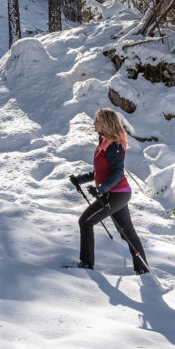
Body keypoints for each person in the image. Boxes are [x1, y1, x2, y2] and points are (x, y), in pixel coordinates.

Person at [69, 108, 149, 274]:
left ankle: (86, 264)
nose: (94, 123)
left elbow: (118, 173)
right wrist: (81, 179)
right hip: (117, 193)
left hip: (116, 194)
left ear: (105, 122)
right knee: (126, 233)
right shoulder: (105, 142)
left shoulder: (114, 145)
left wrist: (101, 189)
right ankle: (142, 269)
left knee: (85, 221)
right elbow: (100, 172)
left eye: (97, 120)